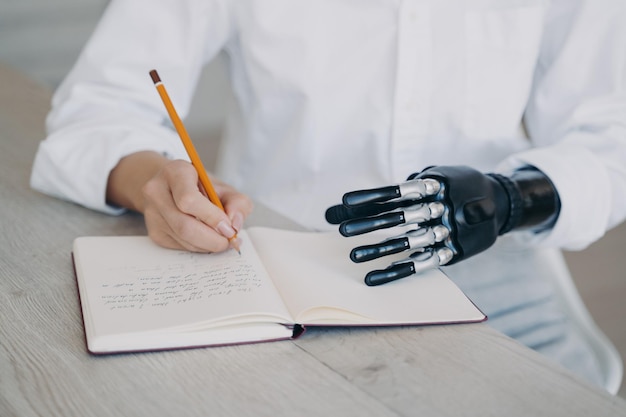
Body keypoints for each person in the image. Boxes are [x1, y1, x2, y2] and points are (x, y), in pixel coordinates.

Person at [31, 0, 626, 388]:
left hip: (491, 260)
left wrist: (513, 196)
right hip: (280, 266)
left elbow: (612, 134)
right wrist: (151, 180)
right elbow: (99, 109)